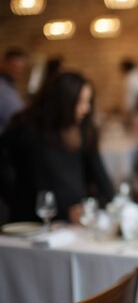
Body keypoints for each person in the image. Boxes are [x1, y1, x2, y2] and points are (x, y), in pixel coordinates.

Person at [0, 72, 114, 223]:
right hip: (31, 224)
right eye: (80, 102)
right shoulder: (27, 129)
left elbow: (106, 189)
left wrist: (88, 207)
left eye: (88, 102)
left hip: (73, 225)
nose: (86, 109)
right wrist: (18, 202)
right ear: (63, 102)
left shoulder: (84, 131)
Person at [0, 48, 27, 134]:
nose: (18, 71)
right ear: (3, 64)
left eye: (20, 68)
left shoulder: (10, 86)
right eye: (14, 66)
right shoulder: (2, 86)